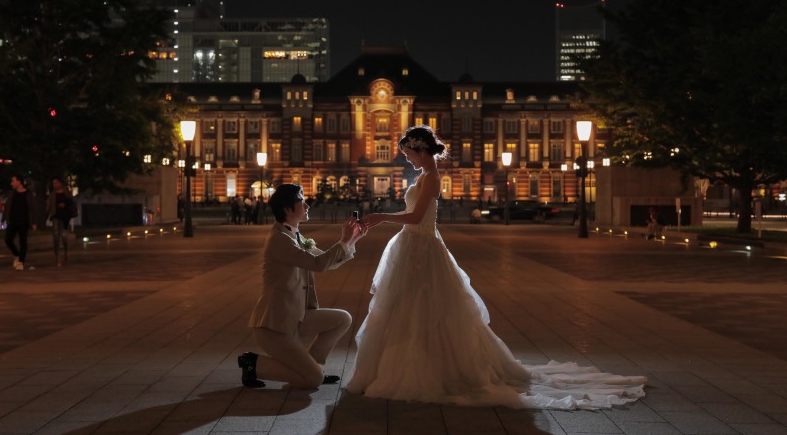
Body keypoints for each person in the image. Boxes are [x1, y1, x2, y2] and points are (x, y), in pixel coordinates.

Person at [349, 125, 647, 410]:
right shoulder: (424, 175)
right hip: (413, 247)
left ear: (421, 150)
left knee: (422, 308)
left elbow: (416, 218)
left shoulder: (431, 178)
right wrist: (383, 218)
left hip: (422, 248)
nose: (406, 158)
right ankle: (411, 364)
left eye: (408, 153)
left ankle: (427, 368)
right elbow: (412, 214)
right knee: (410, 308)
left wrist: (382, 216)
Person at [238, 183, 367, 389]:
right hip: (274, 327)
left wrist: (351, 242)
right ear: (287, 209)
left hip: (296, 318)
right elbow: (319, 264)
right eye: (302, 200)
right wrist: (343, 239)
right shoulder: (279, 239)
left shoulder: (296, 236)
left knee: (343, 319)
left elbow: (325, 261)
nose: (307, 205)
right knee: (313, 380)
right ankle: (253, 363)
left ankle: (311, 365)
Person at [4, 174, 37, 271]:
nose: (11, 183)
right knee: (8, 239)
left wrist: (34, 222)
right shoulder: (12, 194)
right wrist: (5, 218)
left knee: (23, 242)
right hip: (13, 221)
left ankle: (21, 262)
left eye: (13, 181)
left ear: (19, 182)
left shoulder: (28, 194)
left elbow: (33, 209)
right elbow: (7, 206)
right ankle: (16, 254)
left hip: (24, 221)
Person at [46, 177, 75, 267]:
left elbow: (72, 203)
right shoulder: (52, 195)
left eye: (56, 183)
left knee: (64, 235)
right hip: (56, 216)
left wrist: (65, 204)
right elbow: (48, 206)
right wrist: (46, 215)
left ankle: (66, 251)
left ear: (60, 183)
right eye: (53, 183)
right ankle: (57, 256)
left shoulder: (67, 193)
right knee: (55, 235)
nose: (55, 185)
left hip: (65, 216)